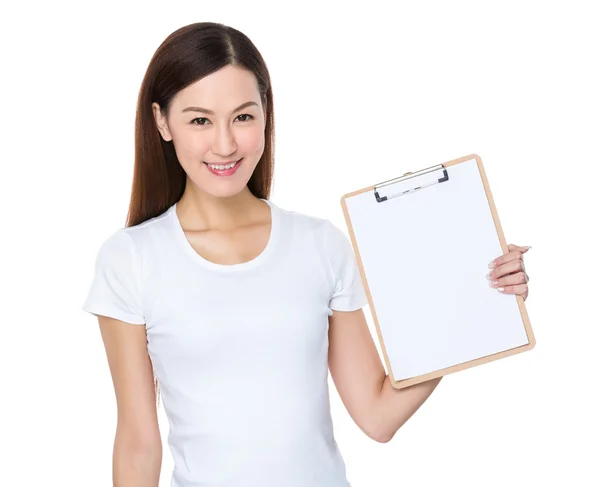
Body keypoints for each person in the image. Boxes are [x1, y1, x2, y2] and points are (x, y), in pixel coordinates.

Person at [82, 21, 531, 487]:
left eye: (243, 116)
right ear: (161, 122)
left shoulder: (320, 245)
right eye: (200, 120)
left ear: (265, 113)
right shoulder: (131, 260)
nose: (225, 144)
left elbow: (378, 416)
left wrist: (476, 300)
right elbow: (139, 443)